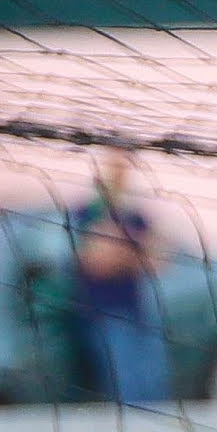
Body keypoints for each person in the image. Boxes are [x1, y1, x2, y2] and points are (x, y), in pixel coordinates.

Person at [68, 160, 170, 409]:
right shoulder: (87, 213)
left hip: (138, 311)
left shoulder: (134, 216)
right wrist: (131, 253)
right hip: (103, 313)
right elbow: (94, 262)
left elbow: (159, 261)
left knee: (154, 381)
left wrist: (121, 251)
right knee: (127, 384)